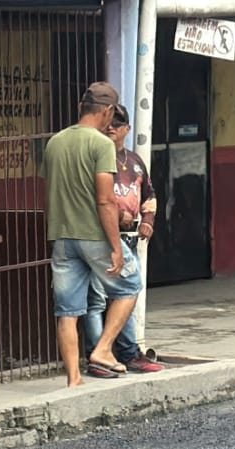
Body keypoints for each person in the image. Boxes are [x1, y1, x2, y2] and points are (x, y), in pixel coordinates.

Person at [43, 81, 142, 386]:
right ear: (109, 111)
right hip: (94, 235)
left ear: (80, 108)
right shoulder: (101, 145)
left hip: (62, 236)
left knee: (68, 311)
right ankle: (102, 350)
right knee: (130, 285)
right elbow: (105, 199)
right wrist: (115, 245)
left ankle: (74, 379)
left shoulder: (54, 143)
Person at [85, 104, 164, 375]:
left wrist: (149, 222)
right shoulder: (94, 159)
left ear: (127, 130)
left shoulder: (135, 162)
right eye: (109, 122)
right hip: (99, 239)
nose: (111, 128)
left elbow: (150, 195)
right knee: (96, 299)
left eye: (117, 124)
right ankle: (97, 356)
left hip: (129, 241)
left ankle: (129, 353)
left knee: (126, 296)